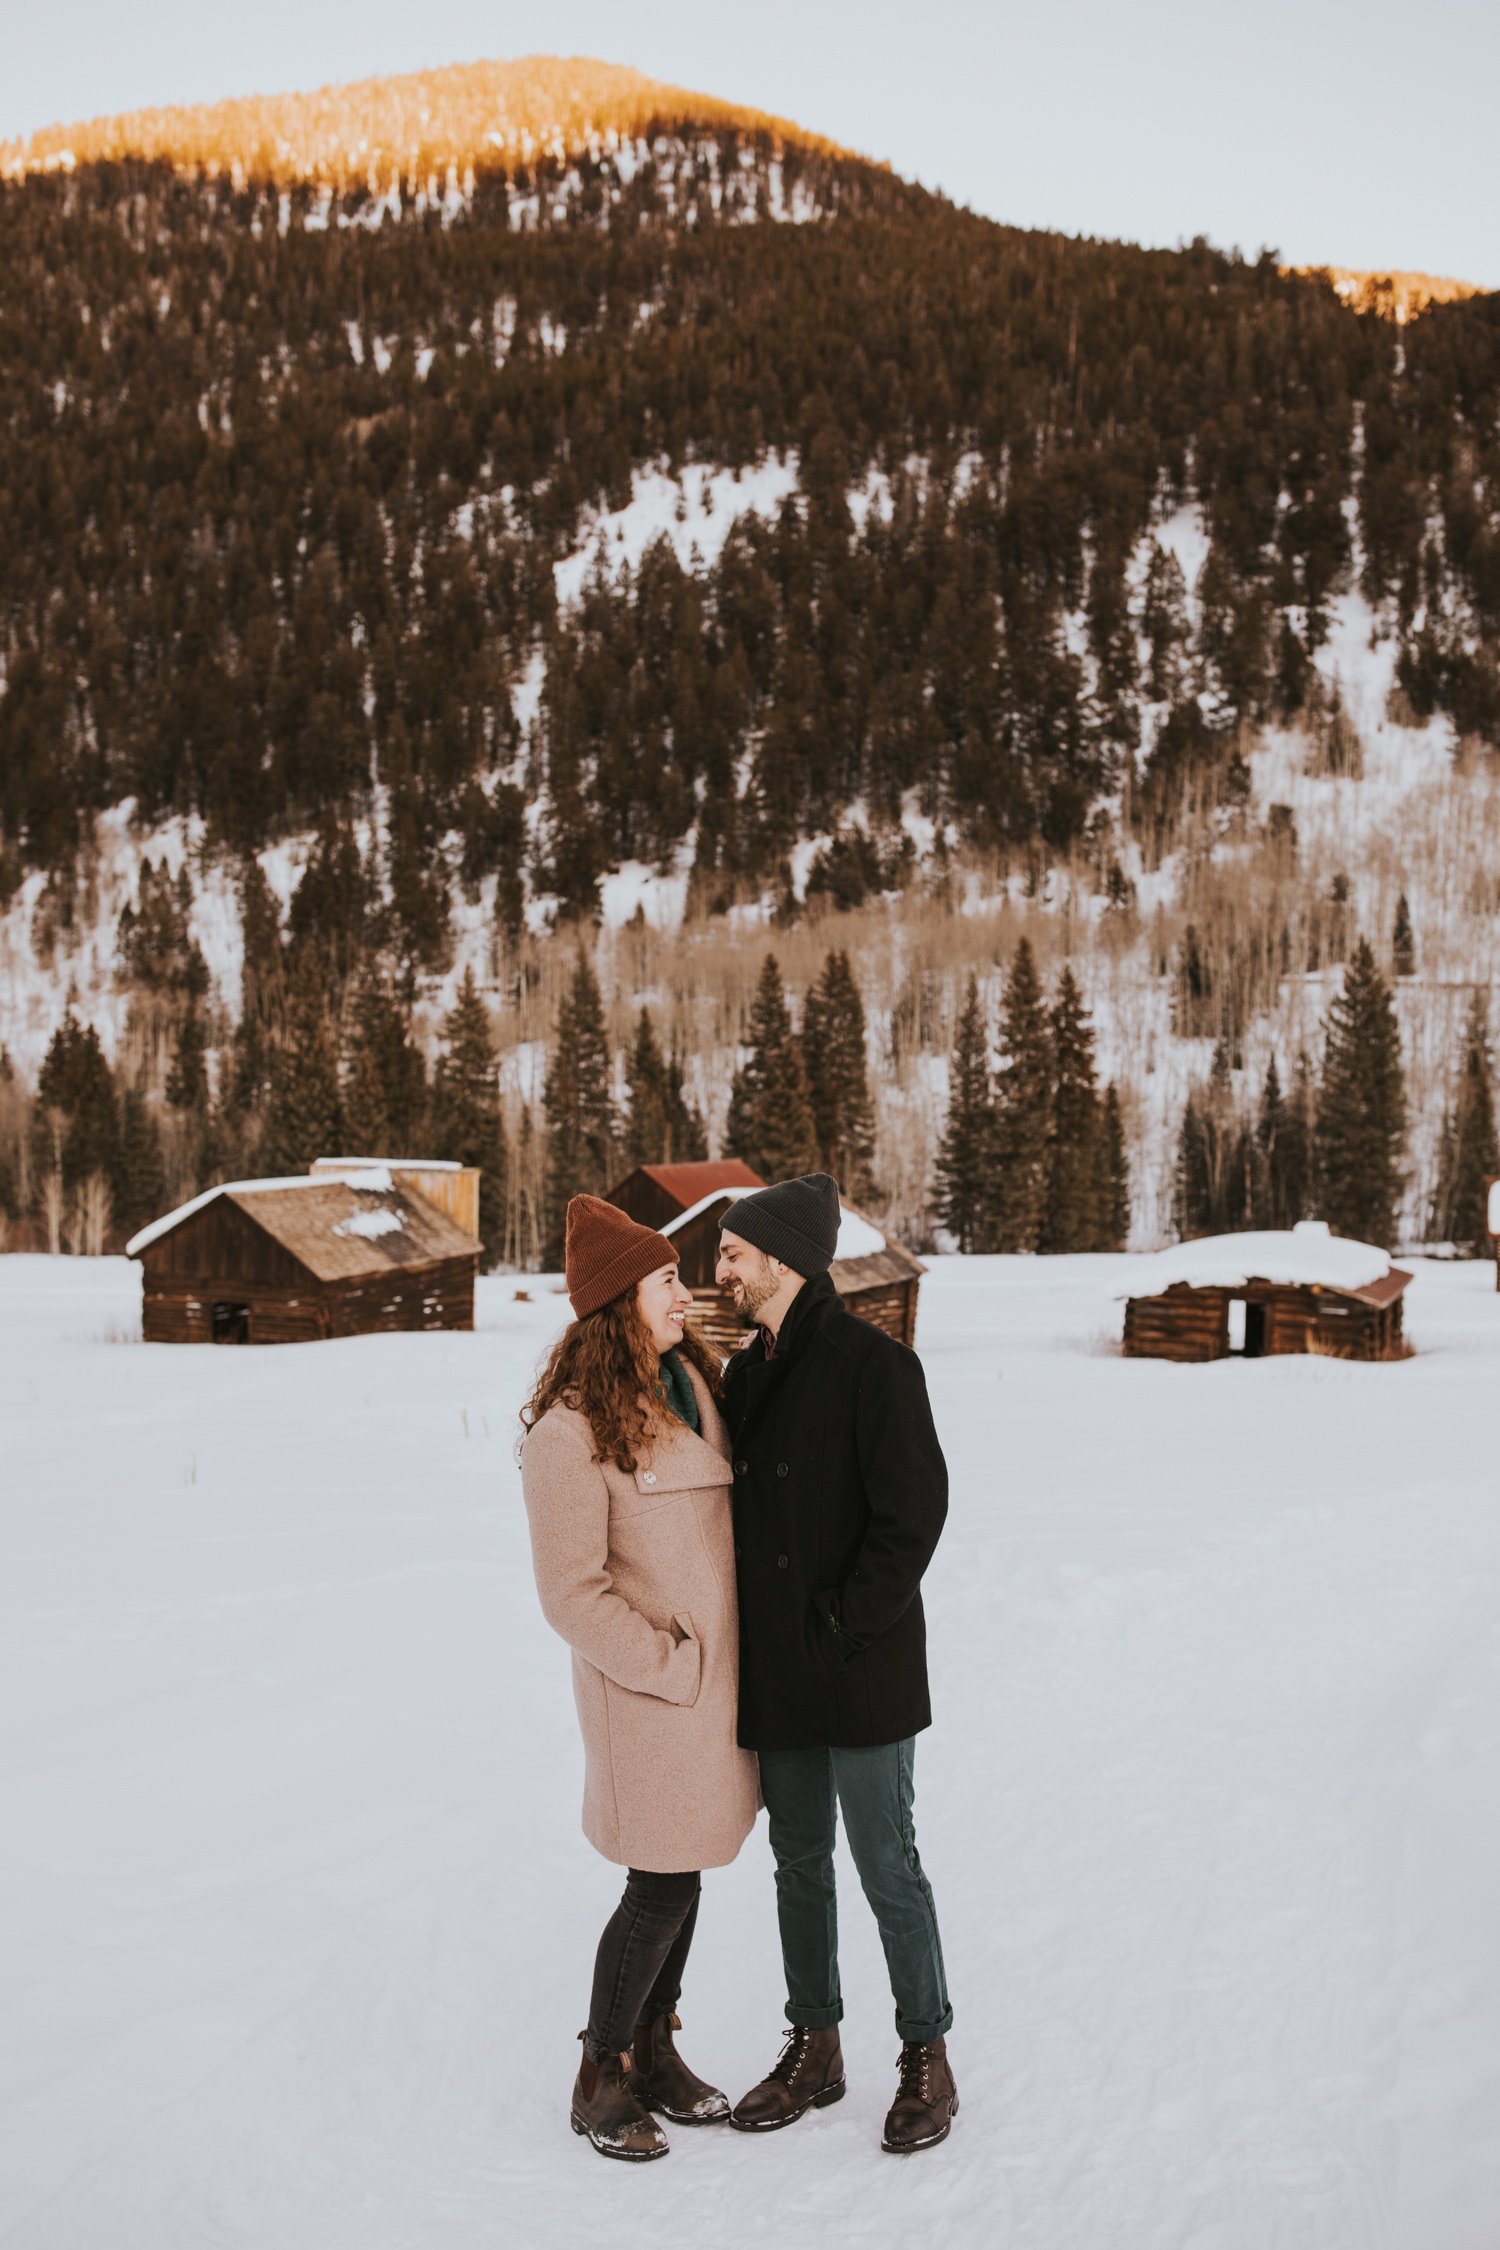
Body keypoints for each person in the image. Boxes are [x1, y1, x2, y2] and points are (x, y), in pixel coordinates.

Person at [715, 1172, 958, 2155]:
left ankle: (927, 2053)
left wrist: (844, 1625)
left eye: (732, 1252)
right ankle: (815, 2043)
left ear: (781, 1259)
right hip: (777, 1670)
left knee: (886, 1864)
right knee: (797, 1865)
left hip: (859, 1667)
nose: (718, 1269)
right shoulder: (744, 1374)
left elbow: (914, 1517)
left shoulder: (874, 1365)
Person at [521, 1194, 759, 2161]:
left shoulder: (692, 1389)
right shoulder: (568, 1436)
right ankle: (602, 2070)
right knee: (657, 1883)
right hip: (654, 1701)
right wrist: (670, 1664)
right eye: (664, 1280)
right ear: (621, 1300)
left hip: (713, 1695)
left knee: (686, 1871)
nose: (682, 1292)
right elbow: (572, 1596)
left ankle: (657, 2050)